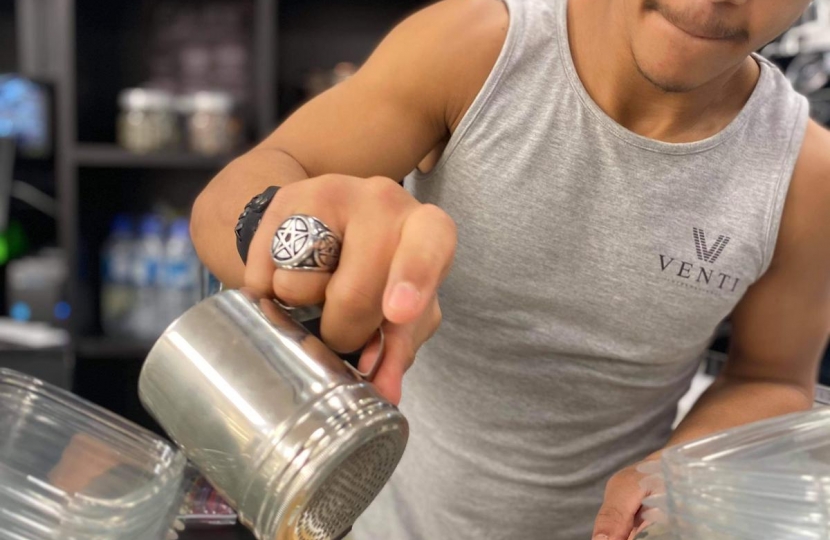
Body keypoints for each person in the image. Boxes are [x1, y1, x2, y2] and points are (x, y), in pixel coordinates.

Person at [190, 0, 830, 538]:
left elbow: (772, 376)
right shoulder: (473, 51)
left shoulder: (803, 173)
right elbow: (239, 191)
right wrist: (300, 236)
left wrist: (674, 478)